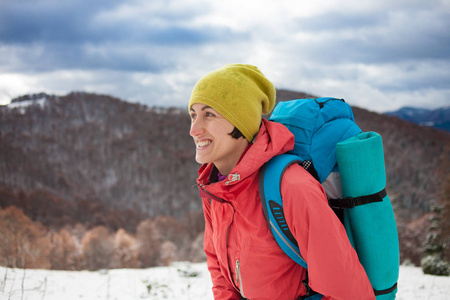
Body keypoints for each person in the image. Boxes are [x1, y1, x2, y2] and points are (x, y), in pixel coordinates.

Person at [188, 64, 375, 300]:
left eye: (209, 114)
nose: (194, 129)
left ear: (241, 124)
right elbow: (221, 274)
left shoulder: (291, 187)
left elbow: (346, 290)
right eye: (193, 115)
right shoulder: (216, 188)